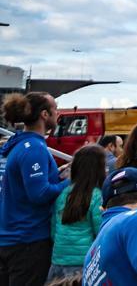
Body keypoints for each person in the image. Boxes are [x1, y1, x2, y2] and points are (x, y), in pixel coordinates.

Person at [0, 91, 67, 285]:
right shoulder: (34, 148)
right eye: (55, 108)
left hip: (12, 238)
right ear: (44, 115)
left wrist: (55, 175)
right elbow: (39, 194)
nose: (58, 113)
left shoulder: (22, 144)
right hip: (28, 241)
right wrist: (70, 182)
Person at [48, 144, 106, 281]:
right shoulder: (97, 196)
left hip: (58, 261)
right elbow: (101, 232)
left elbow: (53, 229)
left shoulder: (63, 193)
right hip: (83, 264)